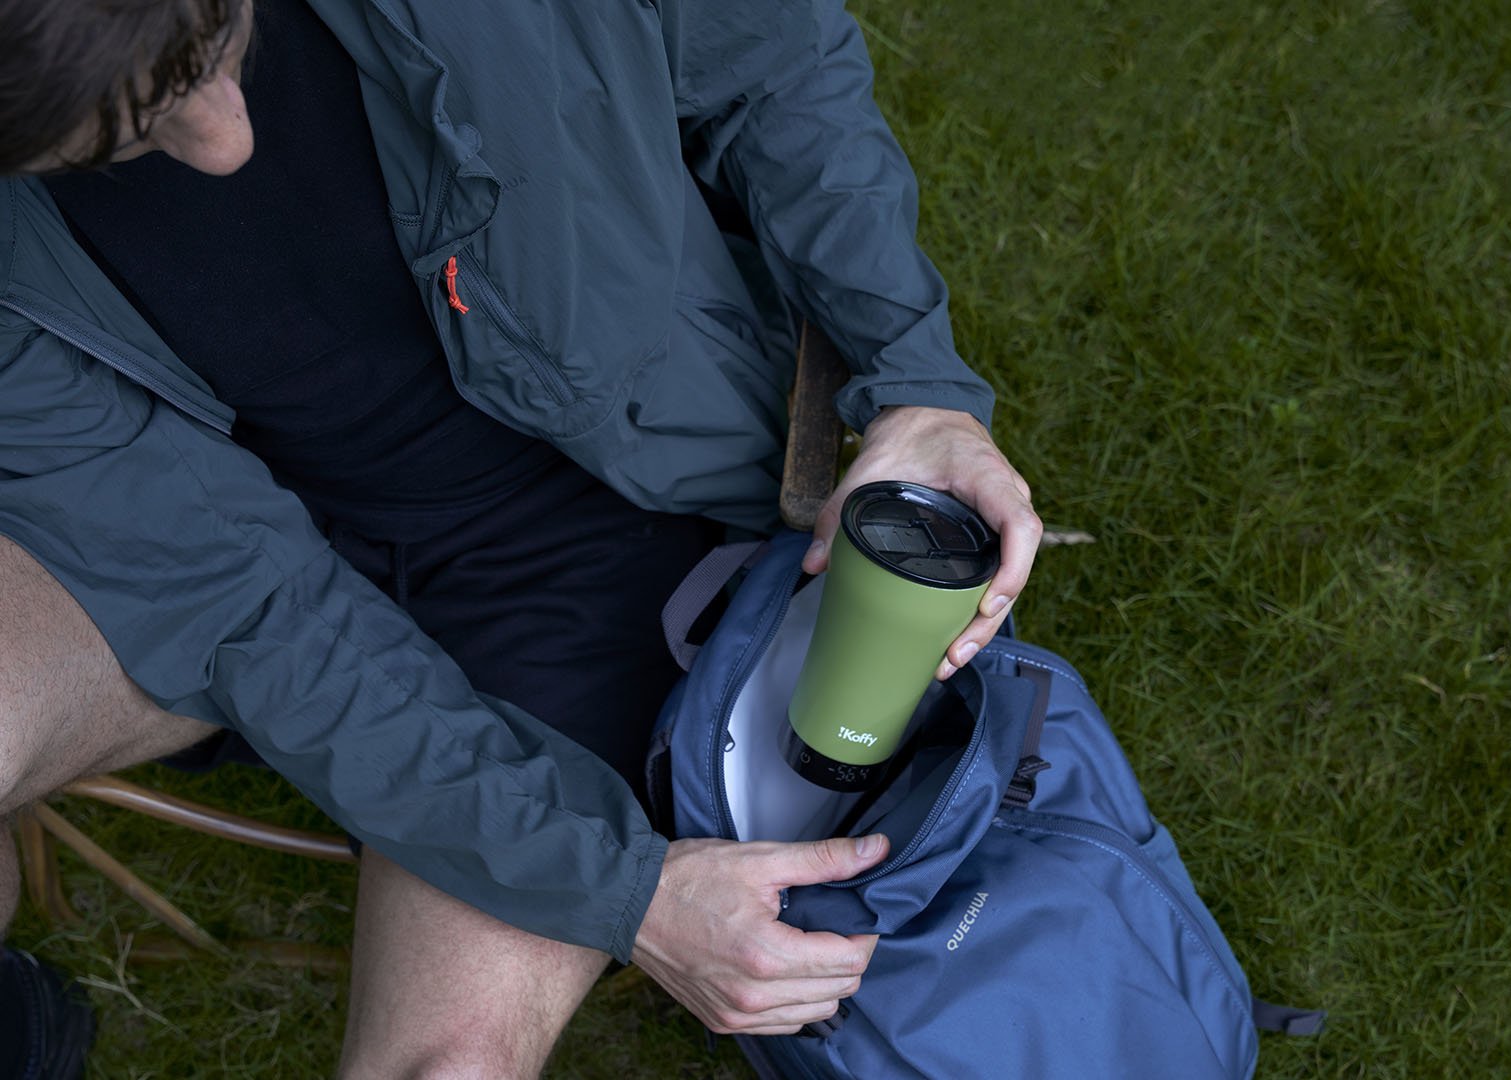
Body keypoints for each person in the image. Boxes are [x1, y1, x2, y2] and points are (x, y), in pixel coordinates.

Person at [0, 0, 1042, 1074]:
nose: (225, 140)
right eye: (117, 146)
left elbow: (769, 66)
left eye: (220, 47)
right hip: (195, 540)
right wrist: (618, 889)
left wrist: (916, 383)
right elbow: (254, 606)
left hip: (601, 520)